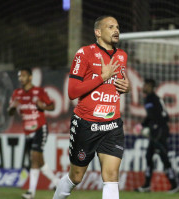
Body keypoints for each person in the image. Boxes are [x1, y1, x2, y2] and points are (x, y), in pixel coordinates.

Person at [53, 15, 130, 199]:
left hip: (112, 126)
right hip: (86, 125)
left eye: (117, 27)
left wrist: (126, 87)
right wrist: (101, 77)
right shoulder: (84, 53)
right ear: (98, 32)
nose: (116, 30)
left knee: (111, 176)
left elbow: (116, 86)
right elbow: (72, 92)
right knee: (76, 177)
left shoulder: (122, 56)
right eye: (110, 27)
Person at [8, 67, 60, 199]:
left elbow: (52, 106)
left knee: (34, 159)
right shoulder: (17, 93)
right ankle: (57, 182)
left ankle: (31, 192)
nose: (21, 78)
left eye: (24, 76)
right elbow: (10, 111)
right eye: (20, 76)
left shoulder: (39, 91)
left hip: (39, 128)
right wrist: (13, 108)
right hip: (27, 131)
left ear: (30, 77)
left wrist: (43, 106)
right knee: (39, 161)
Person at [135, 79, 179, 193]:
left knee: (163, 156)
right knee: (149, 156)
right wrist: (144, 125)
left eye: (145, 85)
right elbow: (152, 116)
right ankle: (146, 185)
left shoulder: (153, 99)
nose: (143, 87)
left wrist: (150, 126)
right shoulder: (150, 99)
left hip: (160, 130)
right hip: (155, 130)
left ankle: (174, 185)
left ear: (150, 86)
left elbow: (161, 116)